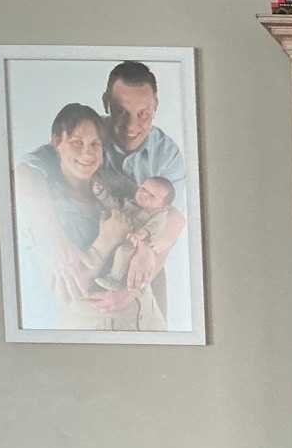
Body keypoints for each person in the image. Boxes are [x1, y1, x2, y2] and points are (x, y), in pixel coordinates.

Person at [14, 103, 146, 329]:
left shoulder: (111, 183)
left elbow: (159, 208)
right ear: (57, 143)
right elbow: (66, 291)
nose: (88, 153)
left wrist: (147, 250)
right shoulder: (45, 209)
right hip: (94, 329)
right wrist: (106, 241)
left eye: (95, 144)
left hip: (145, 317)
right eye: (77, 143)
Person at [99, 61, 187, 297]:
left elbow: (176, 219)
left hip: (146, 263)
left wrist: (147, 254)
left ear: (156, 106)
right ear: (106, 103)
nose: (132, 126)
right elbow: (29, 171)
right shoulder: (86, 134)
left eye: (144, 114)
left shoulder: (167, 153)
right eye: (121, 111)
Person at [95, 176, 178, 292]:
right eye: (143, 189)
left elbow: (151, 228)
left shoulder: (159, 216)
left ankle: (114, 279)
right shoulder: (131, 202)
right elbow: (114, 207)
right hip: (121, 234)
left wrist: (139, 235)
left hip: (136, 243)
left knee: (123, 252)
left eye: (152, 196)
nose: (144, 194)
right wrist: (103, 195)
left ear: (163, 205)